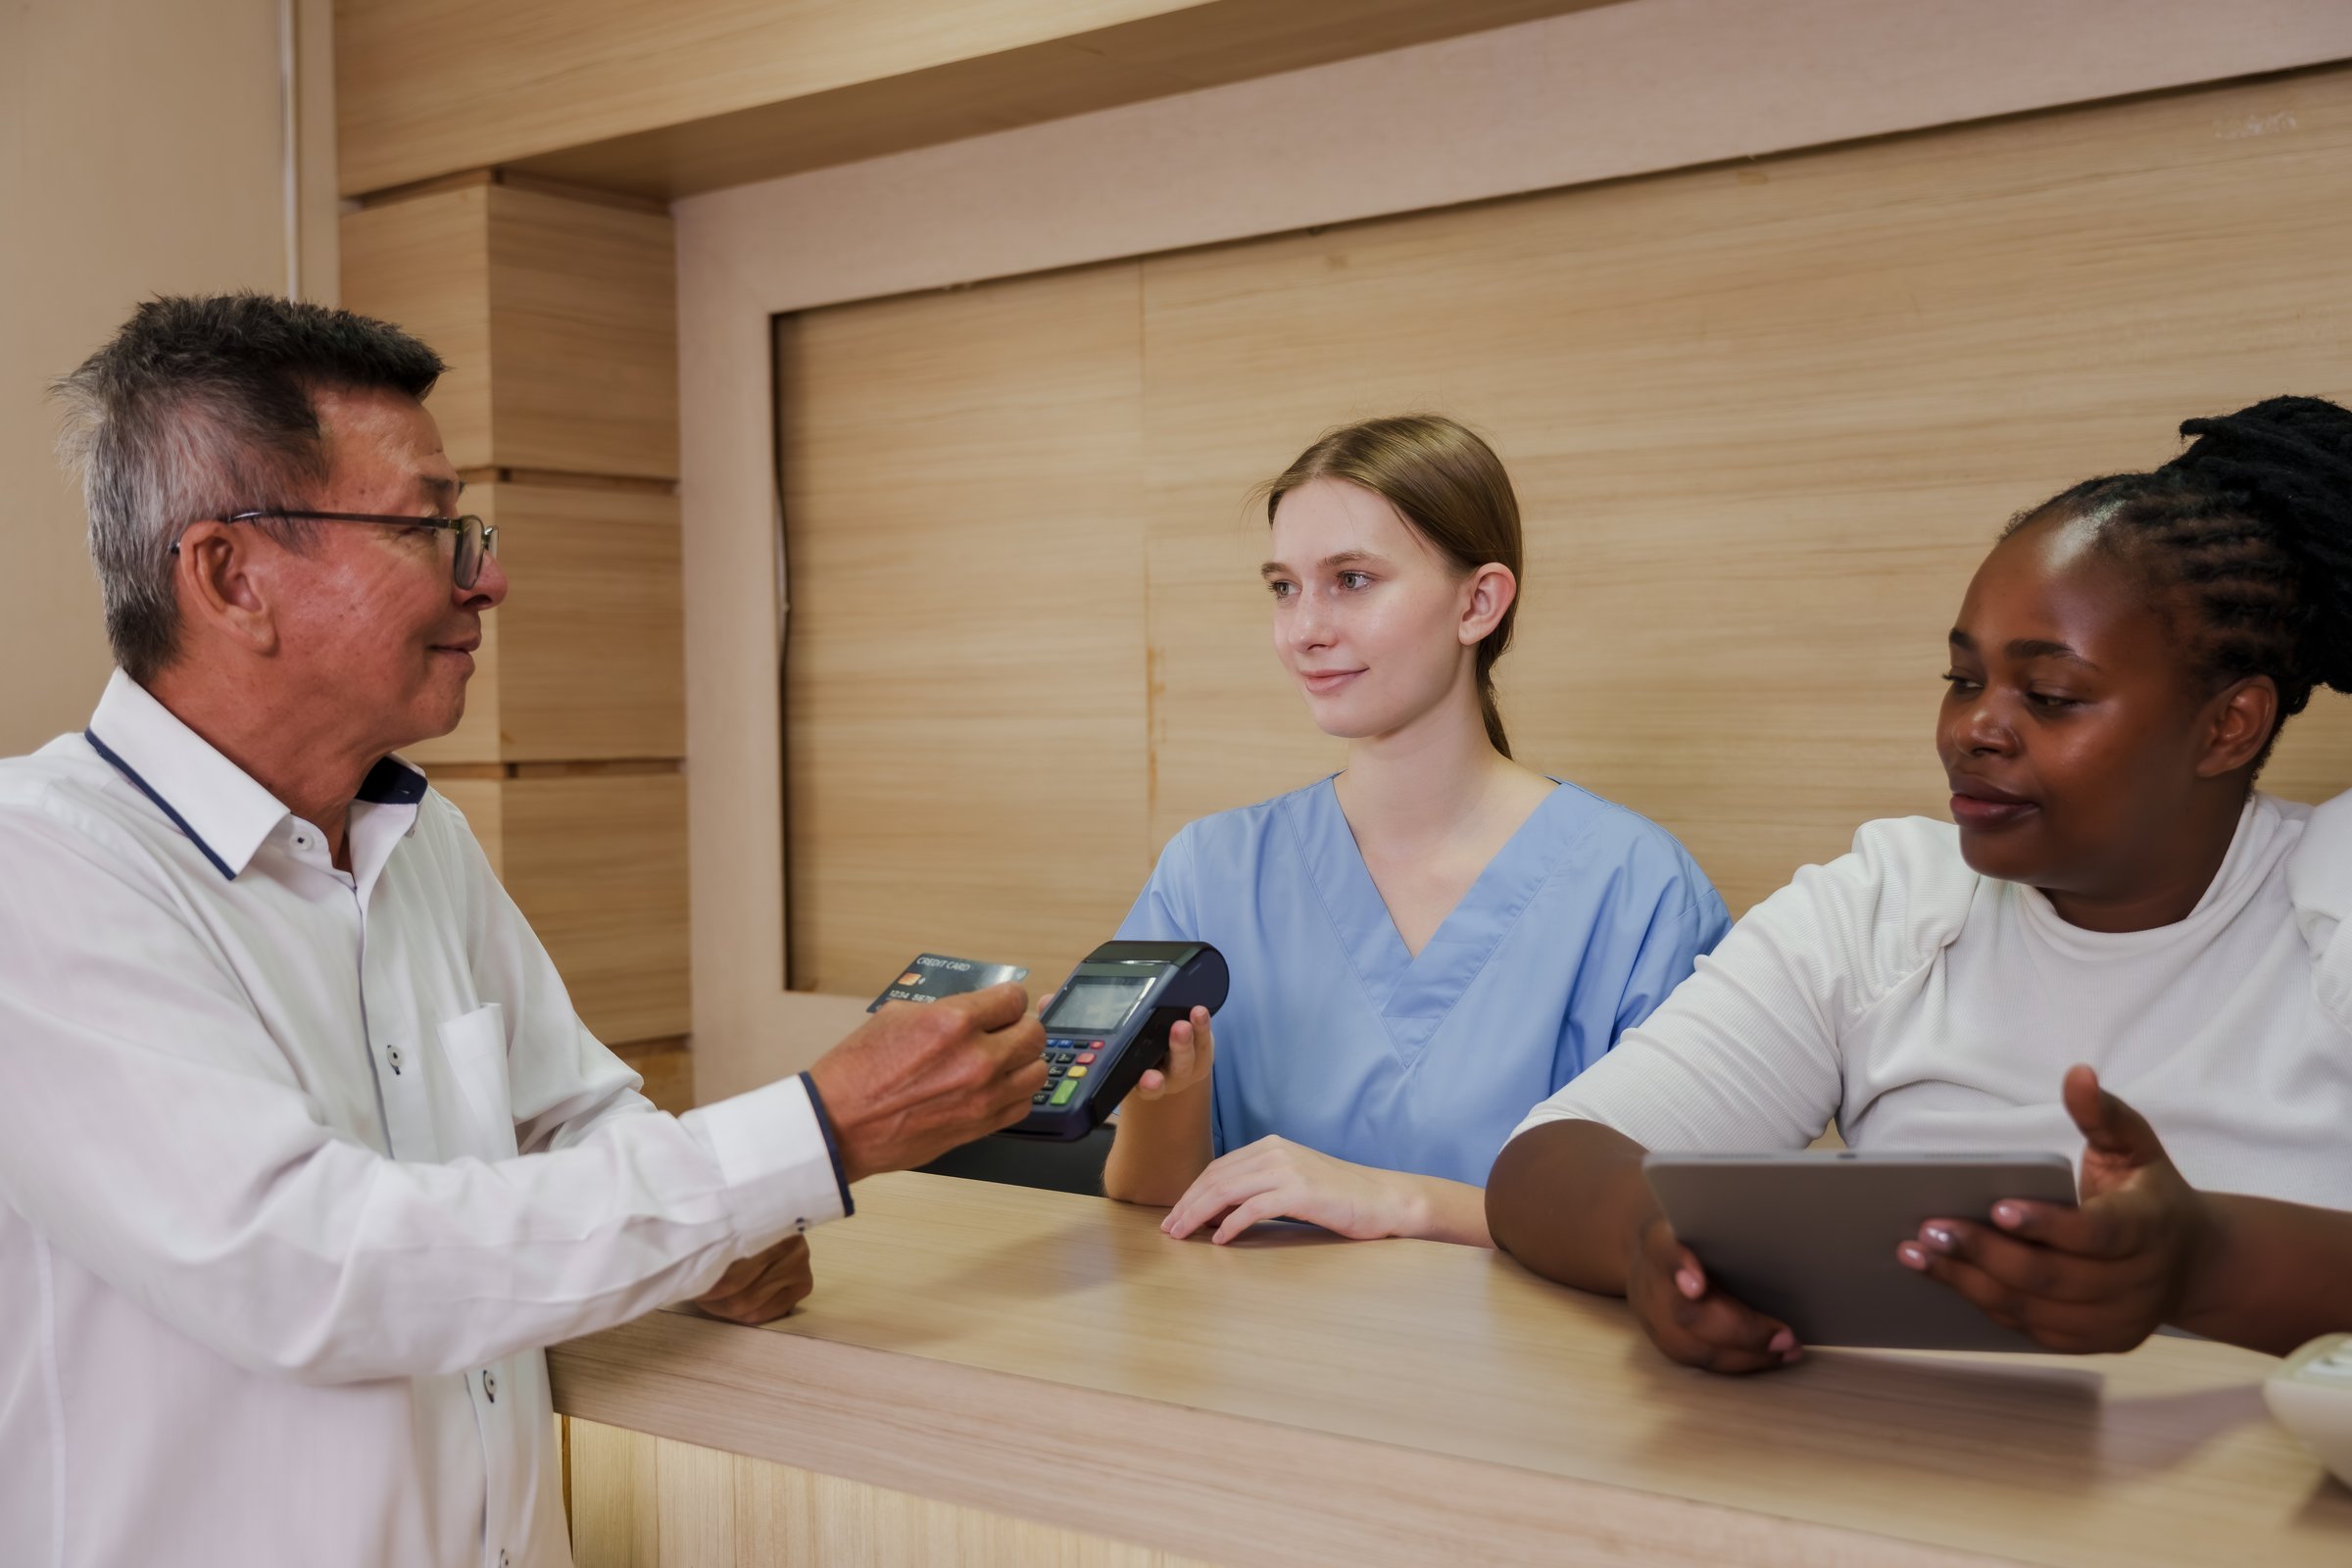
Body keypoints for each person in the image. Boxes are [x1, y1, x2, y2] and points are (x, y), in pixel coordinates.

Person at [0, 294, 1047, 1567]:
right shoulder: (40, 864)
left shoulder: (414, 836)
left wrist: (712, 1245)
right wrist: (810, 1138)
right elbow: (314, 1270)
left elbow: (576, 1118)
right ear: (231, 577)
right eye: (425, 529)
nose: (485, 576)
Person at [1488, 395, 2352, 1371]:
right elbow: (1544, 1161)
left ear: (2227, 724)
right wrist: (1658, 1245)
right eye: (1963, 679)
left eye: (2051, 695)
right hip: (1908, 1484)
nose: (1972, 730)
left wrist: (2201, 1263)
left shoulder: (2332, 896)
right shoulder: (1886, 902)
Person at [1102, 416, 1729, 1247]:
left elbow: (1682, 1225)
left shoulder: (1636, 889)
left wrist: (1399, 1202)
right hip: (1246, 1359)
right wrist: (1170, 1090)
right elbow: (1152, 1204)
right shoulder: (1208, 873)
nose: (1304, 630)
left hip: (1533, 1368)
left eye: (1352, 580)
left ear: (1478, 602)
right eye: (1284, 587)